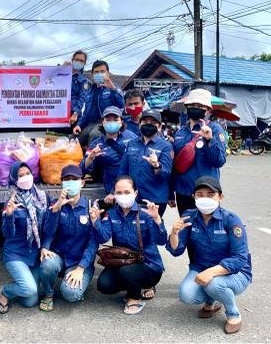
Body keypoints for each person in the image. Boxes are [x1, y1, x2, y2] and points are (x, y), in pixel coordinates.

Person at [166, 176, 251, 334]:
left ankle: (233, 314)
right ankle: (212, 300)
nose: (205, 198)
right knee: (186, 295)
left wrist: (210, 272)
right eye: (200, 194)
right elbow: (176, 251)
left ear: (220, 197)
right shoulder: (189, 216)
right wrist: (174, 233)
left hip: (236, 273)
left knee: (214, 284)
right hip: (201, 267)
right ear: (194, 197)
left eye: (210, 194)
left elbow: (240, 258)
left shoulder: (231, 220)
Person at [94, 176, 168, 315]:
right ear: (114, 195)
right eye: (119, 193)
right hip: (123, 261)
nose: (123, 196)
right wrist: (95, 221)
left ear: (135, 193)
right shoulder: (111, 214)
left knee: (126, 272)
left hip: (148, 265)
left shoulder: (146, 213)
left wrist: (157, 219)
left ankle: (135, 297)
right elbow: (103, 237)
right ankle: (133, 285)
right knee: (104, 285)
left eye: (127, 192)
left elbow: (162, 240)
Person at [39, 165, 99, 308]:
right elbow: (48, 232)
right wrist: (56, 209)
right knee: (47, 264)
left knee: (71, 295)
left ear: (82, 183)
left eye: (74, 179)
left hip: (79, 261)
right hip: (59, 255)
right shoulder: (55, 203)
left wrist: (81, 268)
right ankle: (48, 293)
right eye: (67, 179)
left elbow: (93, 242)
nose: (71, 182)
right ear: (62, 183)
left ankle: (77, 280)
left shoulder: (90, 207)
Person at [0, 162, 50, 312]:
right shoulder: (11, 200)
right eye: (20, 175)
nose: (25, 177)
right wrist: (9, 215)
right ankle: (6, 292)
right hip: (15, 252)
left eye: (27, 173)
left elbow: (48, 228)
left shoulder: (42, 197)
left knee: (30, 301)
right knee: (29, 289)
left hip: (34, 253)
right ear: (14, 178)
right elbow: (7, 234)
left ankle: (22, 281)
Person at [171, 88, 227, 215]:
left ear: (208, 110)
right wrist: (170, 192)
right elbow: (174, 164)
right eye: (192, 105)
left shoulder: (215, 129)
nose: (195, 108)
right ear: (186, 108)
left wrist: (209, 140)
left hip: (206, 192)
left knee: (206, 229)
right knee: (186, 228)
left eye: (200, 106)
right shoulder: (180, 132)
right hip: (183, 192)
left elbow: (219, 161)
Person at [119, 109, 174, 216]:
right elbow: (123, 170)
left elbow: (167, 174)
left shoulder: (166, 146)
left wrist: (157, 166)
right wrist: (116, 191)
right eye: (145, 122)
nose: (148, 125)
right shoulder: (132, 144)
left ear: (159, 127)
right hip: (132, 197)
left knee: (153, 229)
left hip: (155, 198)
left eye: (153, 123)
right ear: (139, 125)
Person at [81, 106, 138, 197]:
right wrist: (90, 158)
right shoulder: (97, 144)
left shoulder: (131, 137)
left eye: (115, 119)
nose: (112, 122)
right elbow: (83, 168)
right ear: (102, 122)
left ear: (121, 122)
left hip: (132, 186)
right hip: (112, 189)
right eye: (108, 119)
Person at [73, 60, 125, 150]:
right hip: (91, 124)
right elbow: (86, 113)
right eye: (96, 72)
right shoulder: (90, 91)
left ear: (108, 73)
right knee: (74, 139)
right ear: (92, 75)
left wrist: (112, 88)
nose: (99, 74)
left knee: (94, 135)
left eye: (102, 71)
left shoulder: (113, 88)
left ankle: (90, 159)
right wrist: (79, 125)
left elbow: (121, 104)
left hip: (106, 123)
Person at [65, 50, 89, 129]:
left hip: (72, 114)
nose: (78, 62)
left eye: (81, 61)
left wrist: (75, 114)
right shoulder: (62, 73)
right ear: (72, 60)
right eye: (76, 59)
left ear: (84, 64)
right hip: (57, 110)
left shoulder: (83, 80)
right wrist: (60, 69)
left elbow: (82, 98)